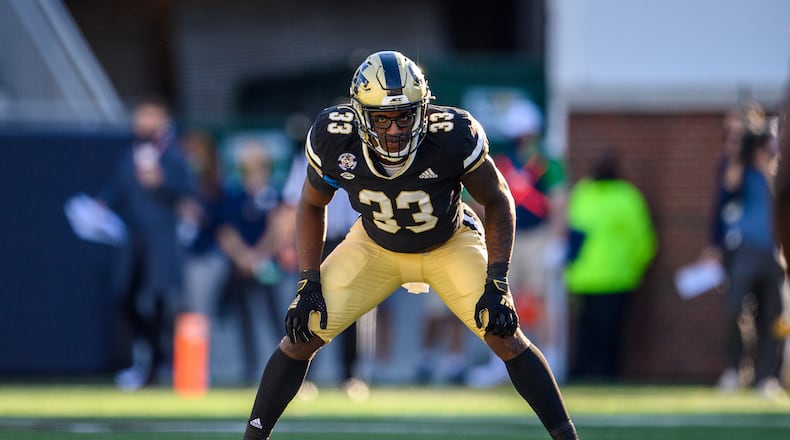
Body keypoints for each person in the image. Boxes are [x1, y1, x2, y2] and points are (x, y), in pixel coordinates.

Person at [242, 50, 579, 440]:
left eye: (404, 116)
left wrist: (498, 282)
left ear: (423, 109)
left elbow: (498, 199)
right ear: (359, 114)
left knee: (505, 334)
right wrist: (307, 282)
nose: (395, 129)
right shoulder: (334, 137)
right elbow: (311, 204)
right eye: (381, 118)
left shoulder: (452, 134)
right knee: (301, 336)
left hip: (449, 243)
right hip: (374, 246)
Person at [98, 96, 196, 389]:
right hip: (133, 242)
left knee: (161, 304)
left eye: (147, 116)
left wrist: (162, 181)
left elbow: (187, 190)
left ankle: (159, 364)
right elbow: (117, 189)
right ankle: (140, 361)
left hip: (161, 244)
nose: (140, 122)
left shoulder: (174, 155)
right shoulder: (129, 154)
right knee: (126, 300)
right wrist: (101, 205)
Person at [564, 147, 657, 381]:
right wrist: (635, 267)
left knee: (590, 329)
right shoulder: (626, 196)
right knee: (606, 330)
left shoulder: (585, 192)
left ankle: (588, 372)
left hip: (588, 276)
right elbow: (643, 240)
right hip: (613, 277)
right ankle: (604, 372)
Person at [717, 107, 786, 398]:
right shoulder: (741, 168)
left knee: (777, 317)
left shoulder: (779, 171)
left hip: (775, 252)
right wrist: (742, 149)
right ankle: (736, 370)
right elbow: (728, 184)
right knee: (735, 308)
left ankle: (768, 377)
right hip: (745, 249)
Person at [217, 140, 286, 384]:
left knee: (277, 315)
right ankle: (250, 367)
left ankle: (286, 365)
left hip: (269, 263)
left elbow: (280, 227)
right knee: (244, 316)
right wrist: (243, 257)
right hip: (241, 265)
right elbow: (226, 230)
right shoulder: (233, 193)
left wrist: (261, 254)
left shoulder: (275, 192)